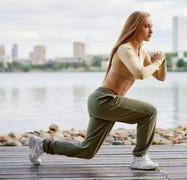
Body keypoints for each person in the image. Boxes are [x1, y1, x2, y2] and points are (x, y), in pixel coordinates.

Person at [29, 11, 167, 170]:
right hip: (104, 100)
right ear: (135, 27)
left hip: (107, 102)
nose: (151, 30)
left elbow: (160, 77)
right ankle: (140, 157)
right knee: (149, 112)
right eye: (146, 26)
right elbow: (140, 73)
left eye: (152, 26)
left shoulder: (141, 51)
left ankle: (41, 144)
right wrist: (156, 63)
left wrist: (162, 62)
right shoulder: (125, 49)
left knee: (87, 150)